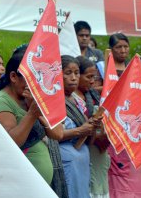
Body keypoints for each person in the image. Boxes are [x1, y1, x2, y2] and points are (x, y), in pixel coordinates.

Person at [0, 46, 63, 185]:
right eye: (32, 79)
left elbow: (58, 134)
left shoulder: (31, 100)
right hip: (18, 181)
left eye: (39, 78)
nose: (37, 84)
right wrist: (32, 114)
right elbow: (12, 143)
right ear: (13, 77)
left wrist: (37, 111)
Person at [59, 55, 102, 198]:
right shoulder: (52, 101)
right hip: (65, 160)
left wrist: (93, 126)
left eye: (76, 73)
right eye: (68, 73)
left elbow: (89, 136)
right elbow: (52, 134)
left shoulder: (79, 101)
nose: (73, 77)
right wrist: (80, 130)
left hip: (82, 158)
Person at [75, 56, 110, 198]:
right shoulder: (72, 99)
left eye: (94, 77)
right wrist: (97, 137)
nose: (92, 81)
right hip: (85, 149)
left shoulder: (92, 95)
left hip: (99, 153)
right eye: (88, 77)